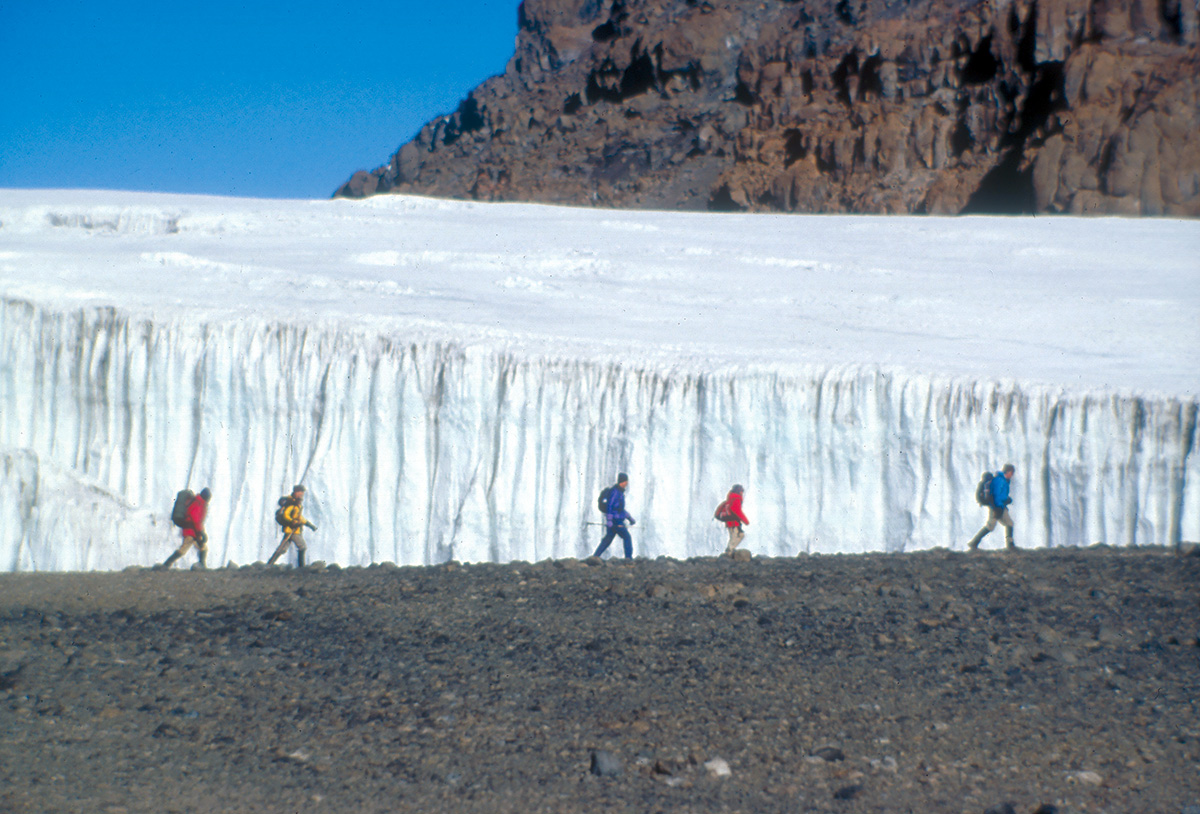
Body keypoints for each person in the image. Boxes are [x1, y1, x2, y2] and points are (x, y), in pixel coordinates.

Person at [967, 464, 1016, 551]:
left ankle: (1010, 545)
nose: (1012, 475)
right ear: (1008, 472)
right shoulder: (1000, 481)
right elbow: (996, 495)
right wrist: (998, 508)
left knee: (1009, 523)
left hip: (1000, 506)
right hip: (996, 507)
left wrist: (1006, 501)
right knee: (990, 526)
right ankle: (974, 542)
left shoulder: (1003, 480)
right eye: (1011, 473)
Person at [267, 485, 317, 567]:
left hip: (294, 530)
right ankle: (301, 566)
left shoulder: (297, 503)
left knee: (282, 549)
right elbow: (286, 515)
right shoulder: (291, 503)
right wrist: (293, 521)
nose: (302, 495)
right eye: (301, 493)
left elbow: (299, 517)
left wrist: (309, 525)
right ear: (296, 492)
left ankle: (270, 563)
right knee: (302, 547)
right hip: (292, 530)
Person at [162, 487, 211, 569]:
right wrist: (201, 532)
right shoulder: (198, 503)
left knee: (202, 547)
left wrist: (200, 532)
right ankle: (167, 564)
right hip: (191, 531)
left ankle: (202, 565)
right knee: (184, 549)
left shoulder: (199, 502)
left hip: (193, 531)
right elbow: (195, 519)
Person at [593, 472, 635, 560]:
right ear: (623, 482)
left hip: (615, 520)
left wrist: (629, 518)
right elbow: (610, 506)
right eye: (626, 482)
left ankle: (595, 556)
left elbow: (620, 509)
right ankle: (628, 558)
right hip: (616, 521)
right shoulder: (615, 492)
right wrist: (610, 520)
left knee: (608, 539)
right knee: (627, 537)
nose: (627, 484)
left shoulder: (618, 492)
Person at [720, 484, 750, 557]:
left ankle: (729, 551)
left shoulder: (730, 498)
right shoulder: (736, 499)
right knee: (738, 535)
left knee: (734, 536)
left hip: (730, 522)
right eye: (742, 491)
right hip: (734, 522)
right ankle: (729, 551)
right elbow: (736, 510)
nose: (742, 493)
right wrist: (745, 521)